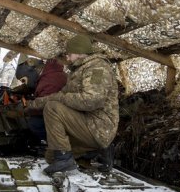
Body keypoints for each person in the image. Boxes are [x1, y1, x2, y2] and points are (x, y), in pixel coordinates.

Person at [24, 34, 119, 175]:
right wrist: (31, 105)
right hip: (86, 122)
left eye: (69, 54)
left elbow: (92, 100)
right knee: (50, 157)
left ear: (80, 52)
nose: (67, 58)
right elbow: (56, 96)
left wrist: (63, 98)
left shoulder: (98, 69)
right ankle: (92, 152)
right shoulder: (79, 71)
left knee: (53, 109)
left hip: (98, 126)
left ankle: (67, 159)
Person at [24, 52, 67, 142]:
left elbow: (45, 105)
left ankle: (58, 144)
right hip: (62, 114)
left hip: (59, 116)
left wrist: (25, 111)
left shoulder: (49, 80)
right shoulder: (52, 74)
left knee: (34, 123)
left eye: (24, 80)